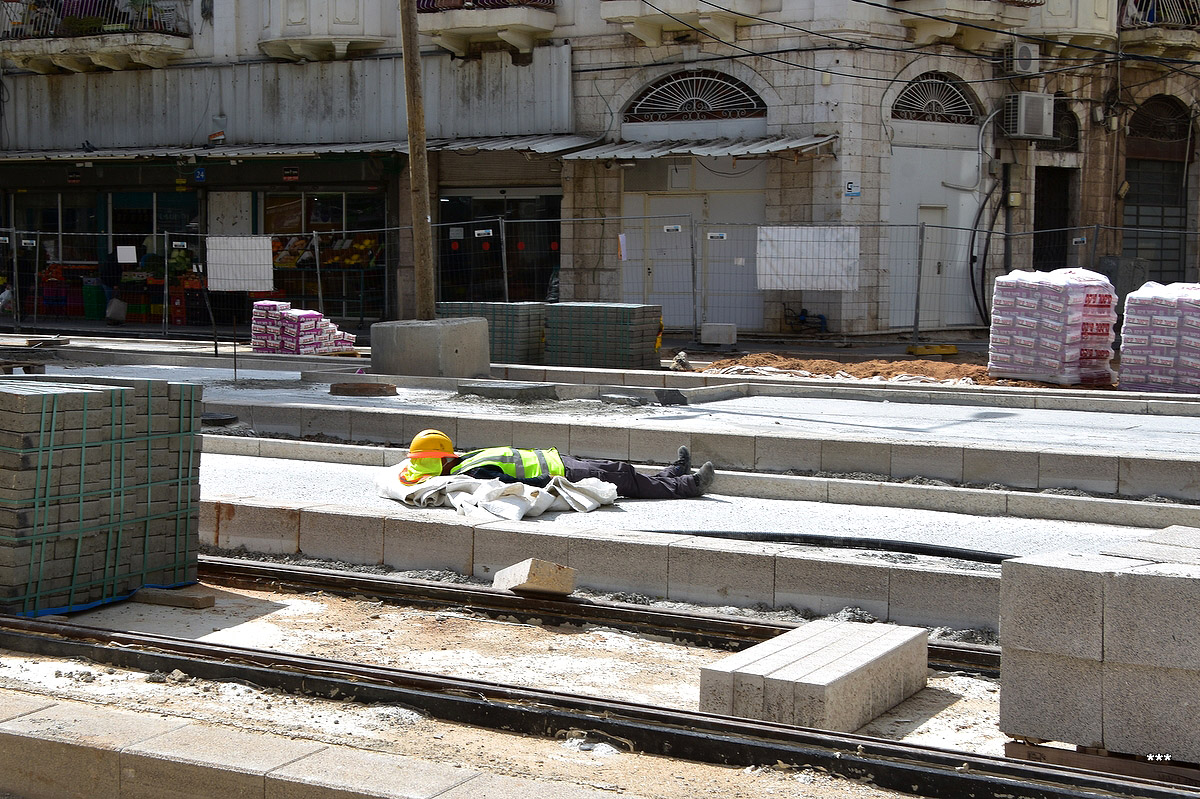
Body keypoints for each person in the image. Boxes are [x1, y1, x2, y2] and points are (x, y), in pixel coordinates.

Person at [398, 429, 715, 500]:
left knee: (622, 471)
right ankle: (689, 485)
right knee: (625, 478)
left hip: (560, 461)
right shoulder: (469, 471)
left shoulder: (463, 462)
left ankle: (672, 473)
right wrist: (556, 484)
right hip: (562, 472)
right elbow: (519, 485)